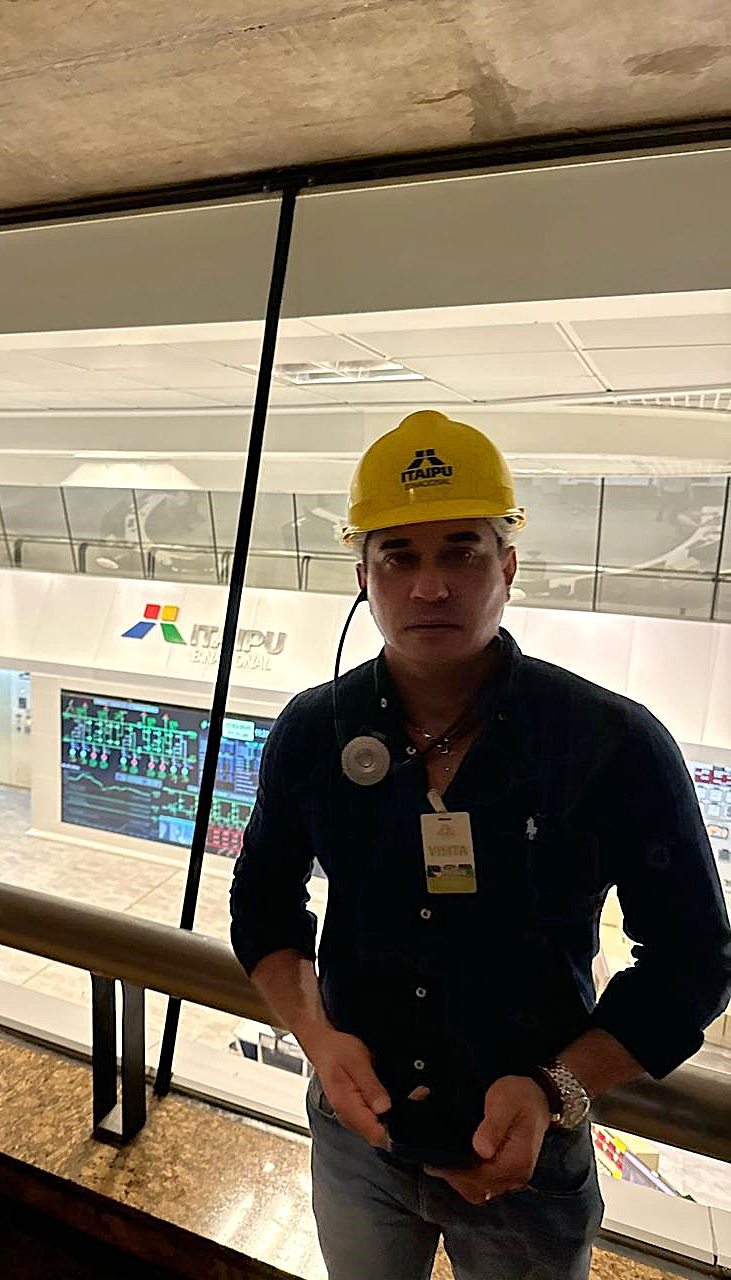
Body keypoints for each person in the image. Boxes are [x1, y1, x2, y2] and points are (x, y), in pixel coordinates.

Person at [230, 410, 731, 1280]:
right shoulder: (314, 731)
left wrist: (557, 1088)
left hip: (531, 1148)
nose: (430, 587)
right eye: (400, 557)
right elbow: (263, 902)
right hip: (358, 1139)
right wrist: (317, 1038)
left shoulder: (608, 744)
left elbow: (695, 959)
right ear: (363, 577)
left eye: (460, 553)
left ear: (507, 567)